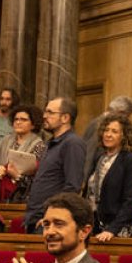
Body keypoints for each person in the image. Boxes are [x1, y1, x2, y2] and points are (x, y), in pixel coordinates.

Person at [22, 96, 85, 232]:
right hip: (36, 216)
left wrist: (52, 217)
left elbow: (72, 186)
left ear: (65, 118)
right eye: (45, 111)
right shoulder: (51, 143)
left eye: (50, 112)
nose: (44, 116)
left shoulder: (72, 143)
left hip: (50, 221)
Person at [85, 112, 132, 241]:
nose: (108, 134)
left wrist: (112, 229)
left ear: (124, 136)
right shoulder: (100, 158)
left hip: (118, 230)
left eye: (114, 131)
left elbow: (130, 200)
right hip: (95, 226)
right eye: (106, 130)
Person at [0, 104, 46, 204]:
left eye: (23, 120)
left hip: (23, 193)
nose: (18, 122)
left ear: (33, 124)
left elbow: (37, 177)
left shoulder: (39, 145)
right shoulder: (5, 140)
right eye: (16, 119)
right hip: (0, 185)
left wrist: (17, 176)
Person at [80, 95, 132, 180]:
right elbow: (90, 153)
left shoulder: (101, 122)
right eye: (128, 116)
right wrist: (83, 180)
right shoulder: (99, 124)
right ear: (121, 112)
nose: (127, 120)